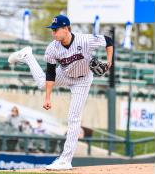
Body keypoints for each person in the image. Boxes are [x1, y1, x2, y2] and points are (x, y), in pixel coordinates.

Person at [8, 14, 113, 170]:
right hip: (64, 74)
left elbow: (108, 40)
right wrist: (47, 98)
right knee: (42, 84)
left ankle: (65, 160)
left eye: (56, 30)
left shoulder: (84, 40)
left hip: (82, 81)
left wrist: (109, 61)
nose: (53, 33)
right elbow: (50, 74)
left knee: (74, 118)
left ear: (66, 28)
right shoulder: (52, 48)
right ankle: (27, 55)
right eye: (52, 30)